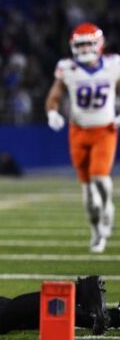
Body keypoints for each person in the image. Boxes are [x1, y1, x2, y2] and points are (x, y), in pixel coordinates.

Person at [45, 22, 120, 253]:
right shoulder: (67, 68)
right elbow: (54, 95)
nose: (85, 48)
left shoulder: (112, 65)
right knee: (87, 190)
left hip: (104, 130)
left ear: (99, 44)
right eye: (81, 44)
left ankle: (108, 205)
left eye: (89, 43)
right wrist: (51, 112)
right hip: (78, 131)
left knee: (100, 178)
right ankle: (96, 232)